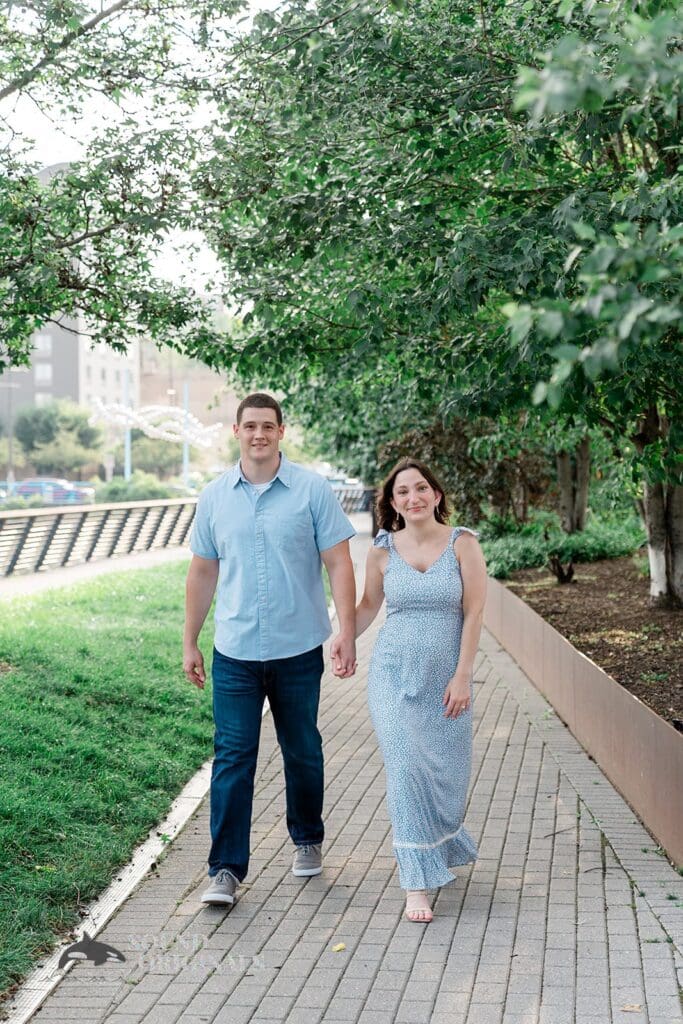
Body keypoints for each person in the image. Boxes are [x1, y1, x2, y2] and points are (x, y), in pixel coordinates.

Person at [183, 393, 357, 906]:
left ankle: (307, 838)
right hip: (235, 649)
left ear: (282, 431)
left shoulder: (311, 490)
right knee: (233, 756)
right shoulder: (215, 496)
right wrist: (190, 640)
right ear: (236, 431)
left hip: (297, 646)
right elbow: (202, 570)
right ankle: (225, 871)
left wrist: (345, 630)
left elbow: (340, 564)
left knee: (301, 748)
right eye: (249, 426)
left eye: (267, 426)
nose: (258, 434)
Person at [355, 457, 487, 922]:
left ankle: (438, 846)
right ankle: (416, 883)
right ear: (392, 503)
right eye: (402, 492)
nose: (413, 497)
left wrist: (463, 673)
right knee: (406, 767)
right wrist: (339, 636)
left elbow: (473, 613)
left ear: (435, 494)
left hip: (447, 679)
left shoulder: (462, 544)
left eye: (420, 488)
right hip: (392, 675)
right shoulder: (382, 550)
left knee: (443, 775)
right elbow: (370, 605)